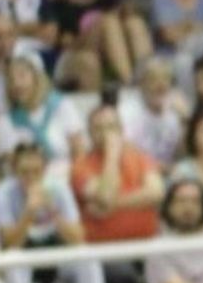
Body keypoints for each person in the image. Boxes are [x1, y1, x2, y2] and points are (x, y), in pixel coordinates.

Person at [0, 141, 106, 283]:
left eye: (36, 172)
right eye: (25, 172)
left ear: (45, 170)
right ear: (14, 171)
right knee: (13, 261)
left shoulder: (59, 188)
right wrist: (29, 212)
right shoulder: (3, 193)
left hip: (55, 252)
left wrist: (52, 210)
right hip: (24, 256)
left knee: (88, 258)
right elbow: (10, 243)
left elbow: (78, 237)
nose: (31, 178)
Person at [70, 102, 164, 247]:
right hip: (103, 249)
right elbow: (106, 196)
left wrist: (113, 204)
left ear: (121, 130)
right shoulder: (80, 166)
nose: (106, 133)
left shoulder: (139, 157)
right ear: (89, 133)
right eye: (98, 128)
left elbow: (156, 193)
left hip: (146, 245)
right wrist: (112, 156)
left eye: (111, 127)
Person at [0, 55, 87, 167]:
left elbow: (78, 148)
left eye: (22, 76)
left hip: (66, 171)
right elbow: (10, 159)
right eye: (11, 79)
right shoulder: (5, 120)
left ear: (37, 78)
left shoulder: (61, 105)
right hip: (27, 177)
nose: (17, 84)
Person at [119, 58, 189, 172]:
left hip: (171, 174)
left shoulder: (176, 109)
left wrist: (185, 121)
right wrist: (162, 168)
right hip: (139, 173)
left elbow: (183, 155)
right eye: (153, 79)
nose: (161, 85)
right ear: (141, 83)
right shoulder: (127, 110)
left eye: (166, 79)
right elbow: (126, 150)